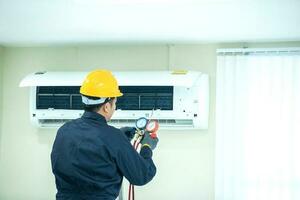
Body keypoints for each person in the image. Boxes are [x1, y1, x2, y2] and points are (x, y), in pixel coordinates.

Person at [51, 69, 159, 200]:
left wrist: (118, 137)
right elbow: (142, 175)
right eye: (114, 104)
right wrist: (147, 147)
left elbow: (89, 153)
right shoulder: (113, 138)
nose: (114, 108)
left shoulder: (64, 131)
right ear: (107, 106)